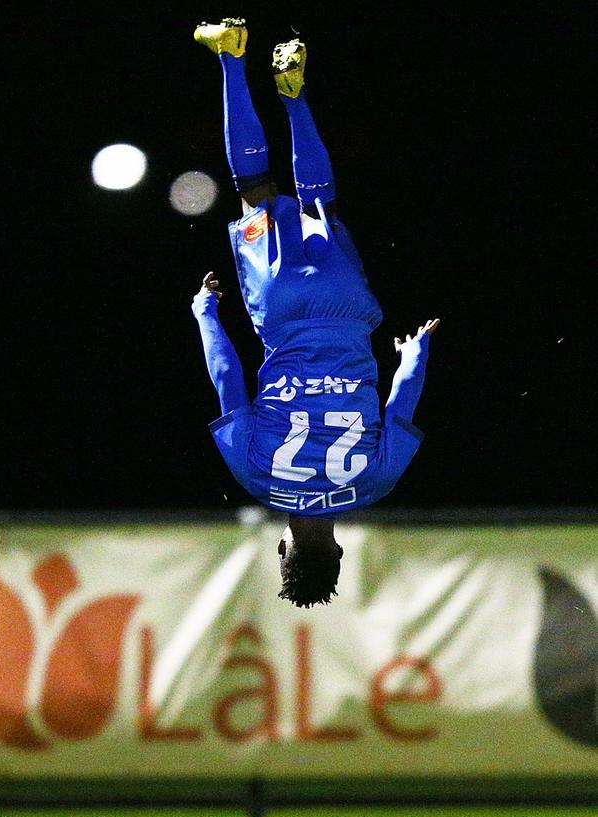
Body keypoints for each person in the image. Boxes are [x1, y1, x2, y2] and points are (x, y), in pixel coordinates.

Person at [191, 18, 439, 608]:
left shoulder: (376, 483)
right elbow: (227, 380)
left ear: (340, 550)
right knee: (253, 186)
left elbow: (405, 396)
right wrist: (206, 313)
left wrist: (413, 354)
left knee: (317, 202)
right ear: (284, 548)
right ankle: (230, 57)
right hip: (280, 310)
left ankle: (296, 98)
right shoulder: (256, 478)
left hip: (350, 310)